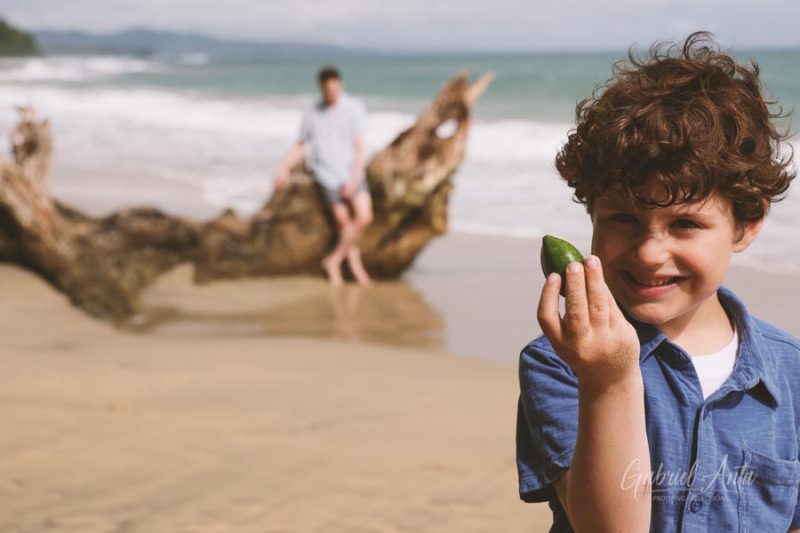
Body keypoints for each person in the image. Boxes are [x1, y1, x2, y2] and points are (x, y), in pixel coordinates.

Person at [515, 31, 800, 532]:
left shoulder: (794, 375)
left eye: (685, 224)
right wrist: (610, 380)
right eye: (623, 218)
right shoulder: (560, 364)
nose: (649, 252)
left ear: (747, 223)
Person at [273, 66, 373, 287]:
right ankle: (356, 269)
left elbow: (359, 147)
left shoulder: (354, 109)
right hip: (326, 175)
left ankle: (334, 260)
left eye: (335, 88)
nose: (332, 93)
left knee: (365, 217)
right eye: (328, 89)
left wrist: (354, 178)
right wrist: (284, 169)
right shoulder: (312, 112)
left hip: (351, 172)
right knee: (344, 223)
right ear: (322, 88)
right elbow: (300, 144)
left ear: (341, 85)